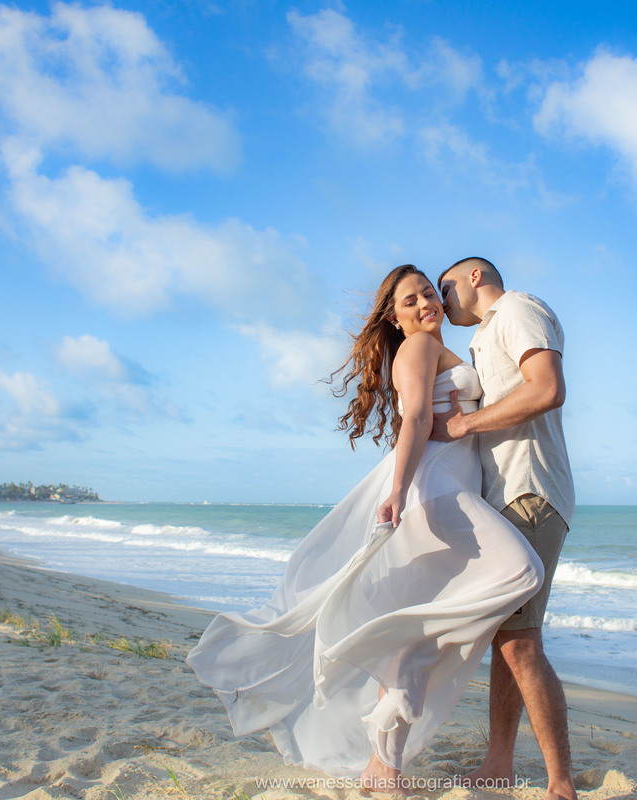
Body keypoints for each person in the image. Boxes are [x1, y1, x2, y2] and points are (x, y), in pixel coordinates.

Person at [186, 265, 542, 793]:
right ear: (395, 320)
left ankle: (384, 767)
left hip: (445, 489)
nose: (425, 304)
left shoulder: (438, 349)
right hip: (441, 493)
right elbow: (417, 418)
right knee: (523, 571)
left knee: (418, 637)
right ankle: (390, 649)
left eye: (428, 293)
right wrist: (398, 492)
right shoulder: (419, 348)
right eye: (410, 301)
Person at [432, 256, 578, 800]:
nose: (442, 301)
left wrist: (465, 423)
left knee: (519, 640)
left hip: (530, 491)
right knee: (507, 638)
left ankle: (560, 784)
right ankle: (498, 763)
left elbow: (546, 389)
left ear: (475, 278)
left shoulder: (516, 308)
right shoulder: (487, 334)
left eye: (444, 286)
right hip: (508, 496)